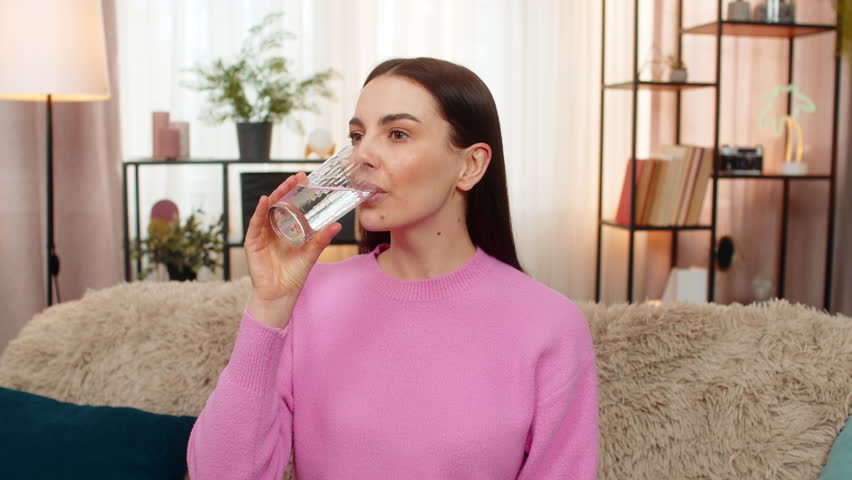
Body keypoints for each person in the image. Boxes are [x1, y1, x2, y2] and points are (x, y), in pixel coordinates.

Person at [187, 57, 598, 479]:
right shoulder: (310, 299)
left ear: (471, 165)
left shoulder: (549, 326)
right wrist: (268, 306)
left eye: (397, 134)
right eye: (357, 135)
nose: (363, 155)